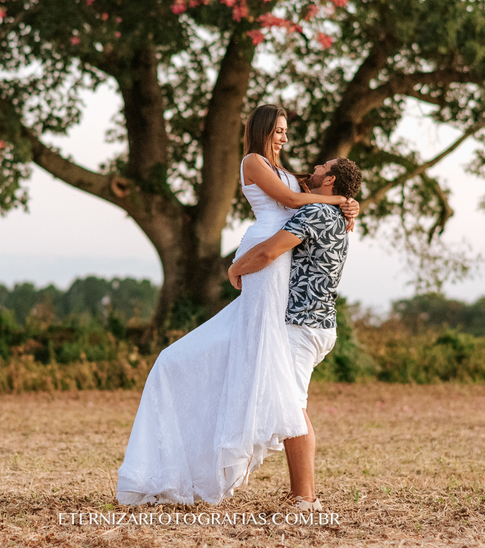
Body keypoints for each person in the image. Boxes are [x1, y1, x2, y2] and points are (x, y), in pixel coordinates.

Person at [116, 104, 358, 505]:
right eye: (278, 130)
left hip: (277, 265)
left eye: (285, 131)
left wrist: (348, 201)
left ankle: (297, 489)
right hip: (264, 256)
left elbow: (311, 191)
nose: (284, 137)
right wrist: (340, 203)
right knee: (260, 355)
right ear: (262, 129)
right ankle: (287, 483)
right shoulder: (253, 161)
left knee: (272, 366)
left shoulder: (290, 173)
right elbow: (291, 199)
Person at [227, 156, 362, 512]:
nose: (313, 168)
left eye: (321, 167)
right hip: (319, 323)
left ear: (329, 180)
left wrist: (237, 266)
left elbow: (271, 251)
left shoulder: (316, 213)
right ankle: (299, 494)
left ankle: (305, 498)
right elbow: (294, 188)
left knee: (292, 407)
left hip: (302, 325)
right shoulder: (334, 214)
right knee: (291, 403)